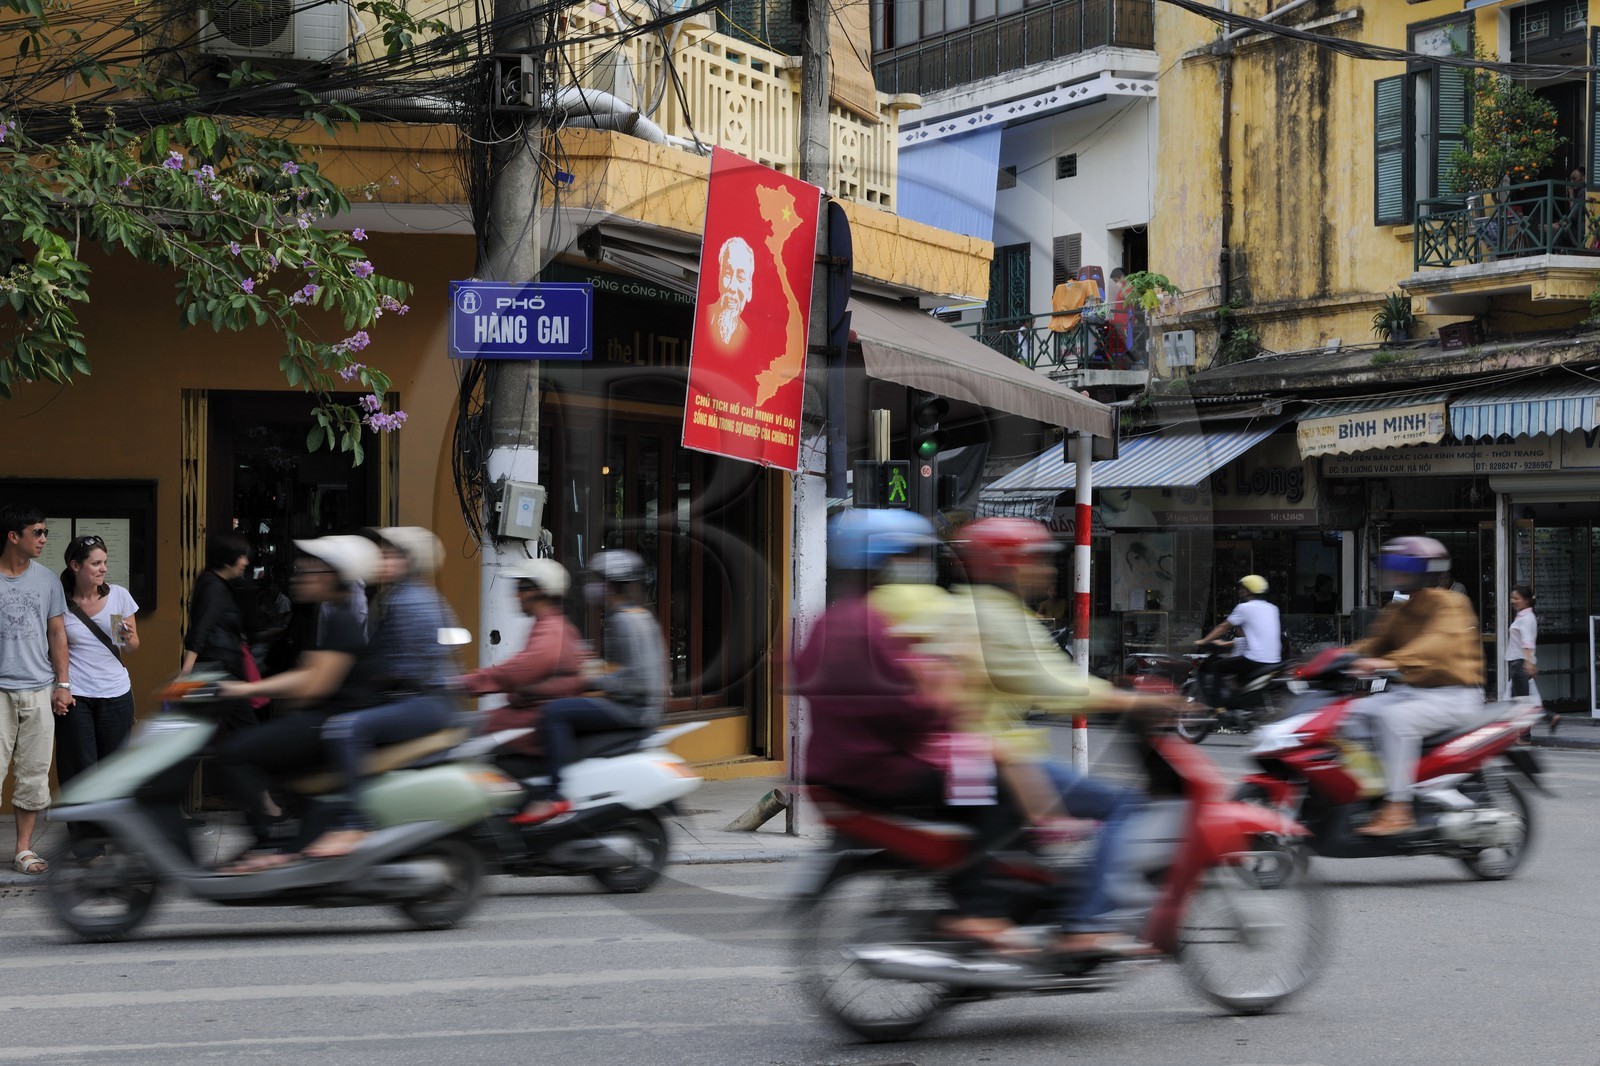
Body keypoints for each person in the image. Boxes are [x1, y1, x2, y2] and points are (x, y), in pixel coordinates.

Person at [927, 518, 1174, 957]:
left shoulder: (962, 606)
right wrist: (1130, 702)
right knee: (1123, 805)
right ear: (1008, 565)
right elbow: (1054, 686)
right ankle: (1085, 922)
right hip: (989, 758)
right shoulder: (1000, 619)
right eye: (1035, 560)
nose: (1046, 570)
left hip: (965, 754)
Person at [798, 510, 1024, 949]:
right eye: (907, 554)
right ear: (884, 559)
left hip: (834, 765)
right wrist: (944, 708)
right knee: (994, 789)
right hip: (877, 771)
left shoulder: (832, 620)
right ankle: (980, 910)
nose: (912, 563)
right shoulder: (868, 625)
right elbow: (905, 708)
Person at [213, 536, 385, 872]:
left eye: (311, 569)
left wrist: (243, 691)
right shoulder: (326, 612)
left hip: (330, 724)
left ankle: (267, 841)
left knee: (233, 753)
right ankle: (283, 833)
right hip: (321, 720)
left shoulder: (340, 620)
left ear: (334, 576)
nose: (300, 575)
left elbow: (313, 683)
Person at [311, 527, 464, 858]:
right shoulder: (396, 595)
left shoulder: (411, 600)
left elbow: (405, 667)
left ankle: (355, 822)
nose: (381, 558)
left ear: (409, 562)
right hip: (417, 697)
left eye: (390, 554)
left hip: (427, 700)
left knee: (347, 728)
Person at [1345, 537, 1486, 836]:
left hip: (1454, 695)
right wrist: (1338, 657)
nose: (1395, 576)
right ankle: (1369, 793)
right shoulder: (1399, 605)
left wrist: (1385, 662)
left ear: (1423, 572)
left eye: (1402, 569)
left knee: (1393, 720)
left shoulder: (1451, 603)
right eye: (1393, 569)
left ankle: (1398, 808)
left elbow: (1434, 644)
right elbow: (1375, 642)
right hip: (1413, 692)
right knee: (1351, 714)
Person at [529, 550, 668, 822]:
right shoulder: (636, 615)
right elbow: (622, 667)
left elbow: (634, 680)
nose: (592, 587)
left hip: (633, 709)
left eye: (598, 580)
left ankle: (554, 793)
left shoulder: (623, 620)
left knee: (554, 712)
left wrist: (589, 678)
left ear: (612, 585)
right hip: (640, 705)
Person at [456, 557, 592, 823]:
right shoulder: (547, 624)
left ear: (539, 591)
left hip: (535, 721)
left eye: (521, 588)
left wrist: (466, 683)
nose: (516, 596)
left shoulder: (551, 630)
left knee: (474, 735)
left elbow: (519, 671)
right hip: (530, 714)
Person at [0, 504, 70, 876]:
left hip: (40, 688)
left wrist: (63, 683)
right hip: (0, 690)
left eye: (45, 532)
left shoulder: (47, 580)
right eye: (37, 532)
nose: (44, 539)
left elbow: (57, 633)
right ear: (15, 536)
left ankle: (23, 850)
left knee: (33, 773)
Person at [56, 535, 140, 785]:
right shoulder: (59, 602)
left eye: (104, 562)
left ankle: (110, 824)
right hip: (77, 693)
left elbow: (132, 647)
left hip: (115, 691)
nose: (103, 568)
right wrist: (61, 686)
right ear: (75, 566)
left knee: (114, 766)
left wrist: (128, 637)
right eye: (96, 563)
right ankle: (83, 825)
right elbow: (55, 645)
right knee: (79, 767)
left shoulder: (118, 596)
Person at [181, 532, 260, 732]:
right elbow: (202, 627)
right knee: (246, 731)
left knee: (201, 735)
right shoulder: (213, 586)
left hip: (220, 671)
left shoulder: (215, 583)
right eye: (241, 556)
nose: (245, 561)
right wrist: (187, 670)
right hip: (219, 672)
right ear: (227, 560)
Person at [1197, 575, 1283, 709]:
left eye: (1242, 588)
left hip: (1255, 660)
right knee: (1237, 678)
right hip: (1275, 661)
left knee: (1218, 667)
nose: (1240, 591)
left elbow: (1223, 627)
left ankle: (1218, 709)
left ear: (1249, 590)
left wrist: (1204, 640)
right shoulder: (1273, 608)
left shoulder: (1244, 608)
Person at [1506, 584, 1556, 736]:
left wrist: (1529, 663)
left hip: (1520, 663)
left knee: (1523, 704)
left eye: (1516, 598)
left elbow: (1527, 643)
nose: (1512, 601)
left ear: (1526, 600)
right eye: (1512, 597)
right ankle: (1520, 733)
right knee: (1518, 702)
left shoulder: (1527, 618)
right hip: (1517, 662)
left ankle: (1531, 731)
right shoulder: (1522, 616)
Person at [706, 236, 754, 352]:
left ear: (749, 289)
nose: (732, 287)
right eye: (727, 273)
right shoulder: (703, 318)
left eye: (740, 277)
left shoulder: (749, 338)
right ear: (719, 278)